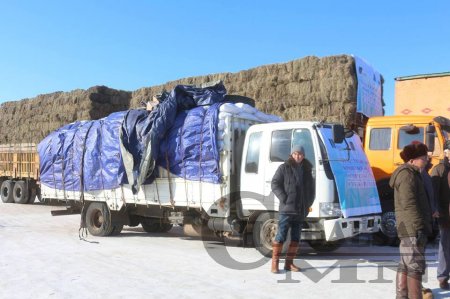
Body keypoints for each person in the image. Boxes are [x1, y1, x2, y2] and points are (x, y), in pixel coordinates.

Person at [390, 142, 432, 298]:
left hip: (408, 226)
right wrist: (419, 227)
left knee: (406, 264)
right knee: (414, 265)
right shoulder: (407, 175)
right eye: (423, 158)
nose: (426, 160)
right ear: (412, 160)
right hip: (411, 227)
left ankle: (402, 297)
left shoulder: (411, 174)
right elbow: (409, 204)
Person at [270, 144, 314, 273]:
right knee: (281, 236)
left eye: (300, 154)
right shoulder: (284, 168)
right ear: (291, 155)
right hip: (286, 209)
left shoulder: (307, 170)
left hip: (300, 210)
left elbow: (311, 190)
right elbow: (275, 183)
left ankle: (289, 264)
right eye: (295, 153)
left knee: (295, 238)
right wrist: (284, 198)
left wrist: (307, 204)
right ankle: (274, 264)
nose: (297, 156)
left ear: (303, 156)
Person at [431, 142, 450, 290]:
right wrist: (437, 211)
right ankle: (443, 278)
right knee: (445, 247)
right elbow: (433, 194)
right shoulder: (439, 169)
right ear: (446, 153)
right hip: (446, 215)